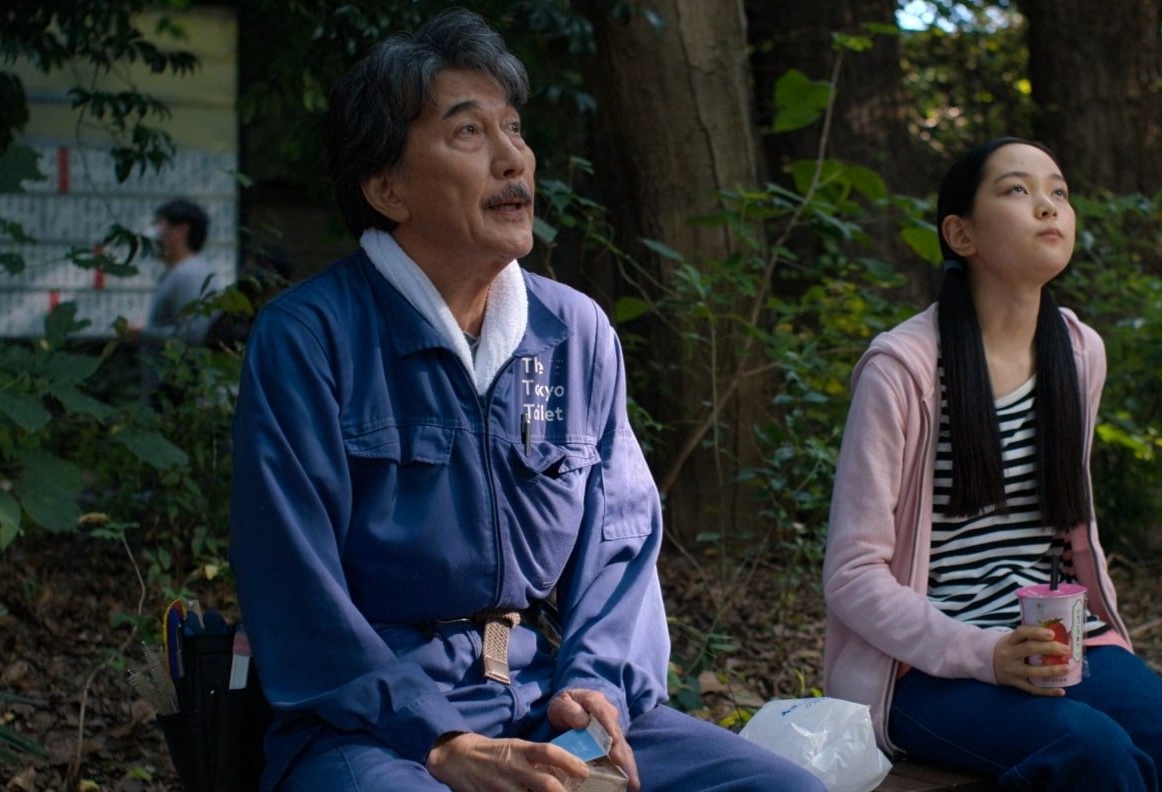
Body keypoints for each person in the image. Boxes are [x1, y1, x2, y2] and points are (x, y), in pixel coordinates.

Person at [228, 9, 827, 792]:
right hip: (369, 726)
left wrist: (594, 688)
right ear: (387, 188)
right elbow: (293, 585)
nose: (514, 157)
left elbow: (620, 541)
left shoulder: (574, 331)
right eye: (468, 132)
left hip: (548, 700)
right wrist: (440, 738)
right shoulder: (311, 338)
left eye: (513, 128)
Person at [821, 137, 1162, 790]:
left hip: (1060, 646)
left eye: (1058, 191)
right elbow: (852, 574)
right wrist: (986, 653)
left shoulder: (1079, 353)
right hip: (924, 669)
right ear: (962, 234)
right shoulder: (903, 370)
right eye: (1017, 190)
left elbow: (1069, 530)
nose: (1048, 206)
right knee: (1094, 754)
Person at [132, 197, 218, 344]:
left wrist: (143, 334)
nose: (152, 234)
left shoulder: (189, 274)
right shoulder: (178, 272)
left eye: (159, 225)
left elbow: (194, 334)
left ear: (181, 231)